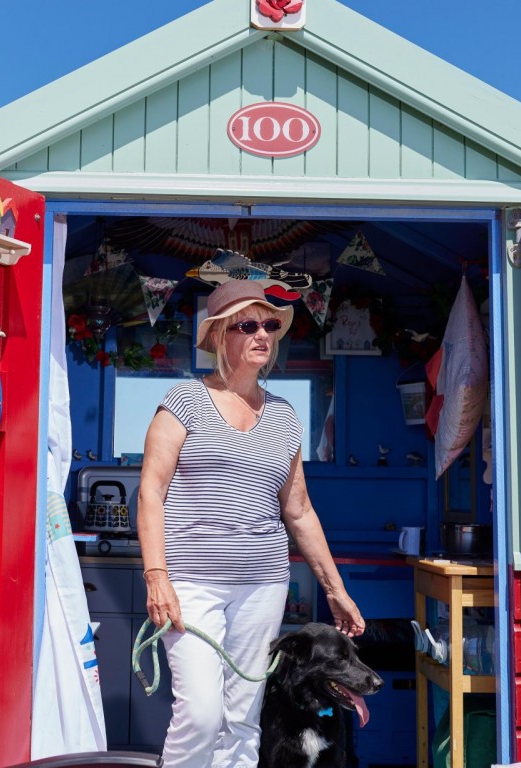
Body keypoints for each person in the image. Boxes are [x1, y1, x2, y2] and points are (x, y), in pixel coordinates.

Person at [137, 279, 365, 768]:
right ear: (221, 336)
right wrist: (157, 578)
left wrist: (335, 588)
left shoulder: (284, 417)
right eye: (248, 325)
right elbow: (150, 493)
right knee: (199, 713)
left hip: (262, 585)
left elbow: (299, 510)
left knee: (243, 719)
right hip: (191, 584)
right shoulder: (182, 403)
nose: (262, 334)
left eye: (269, 325)